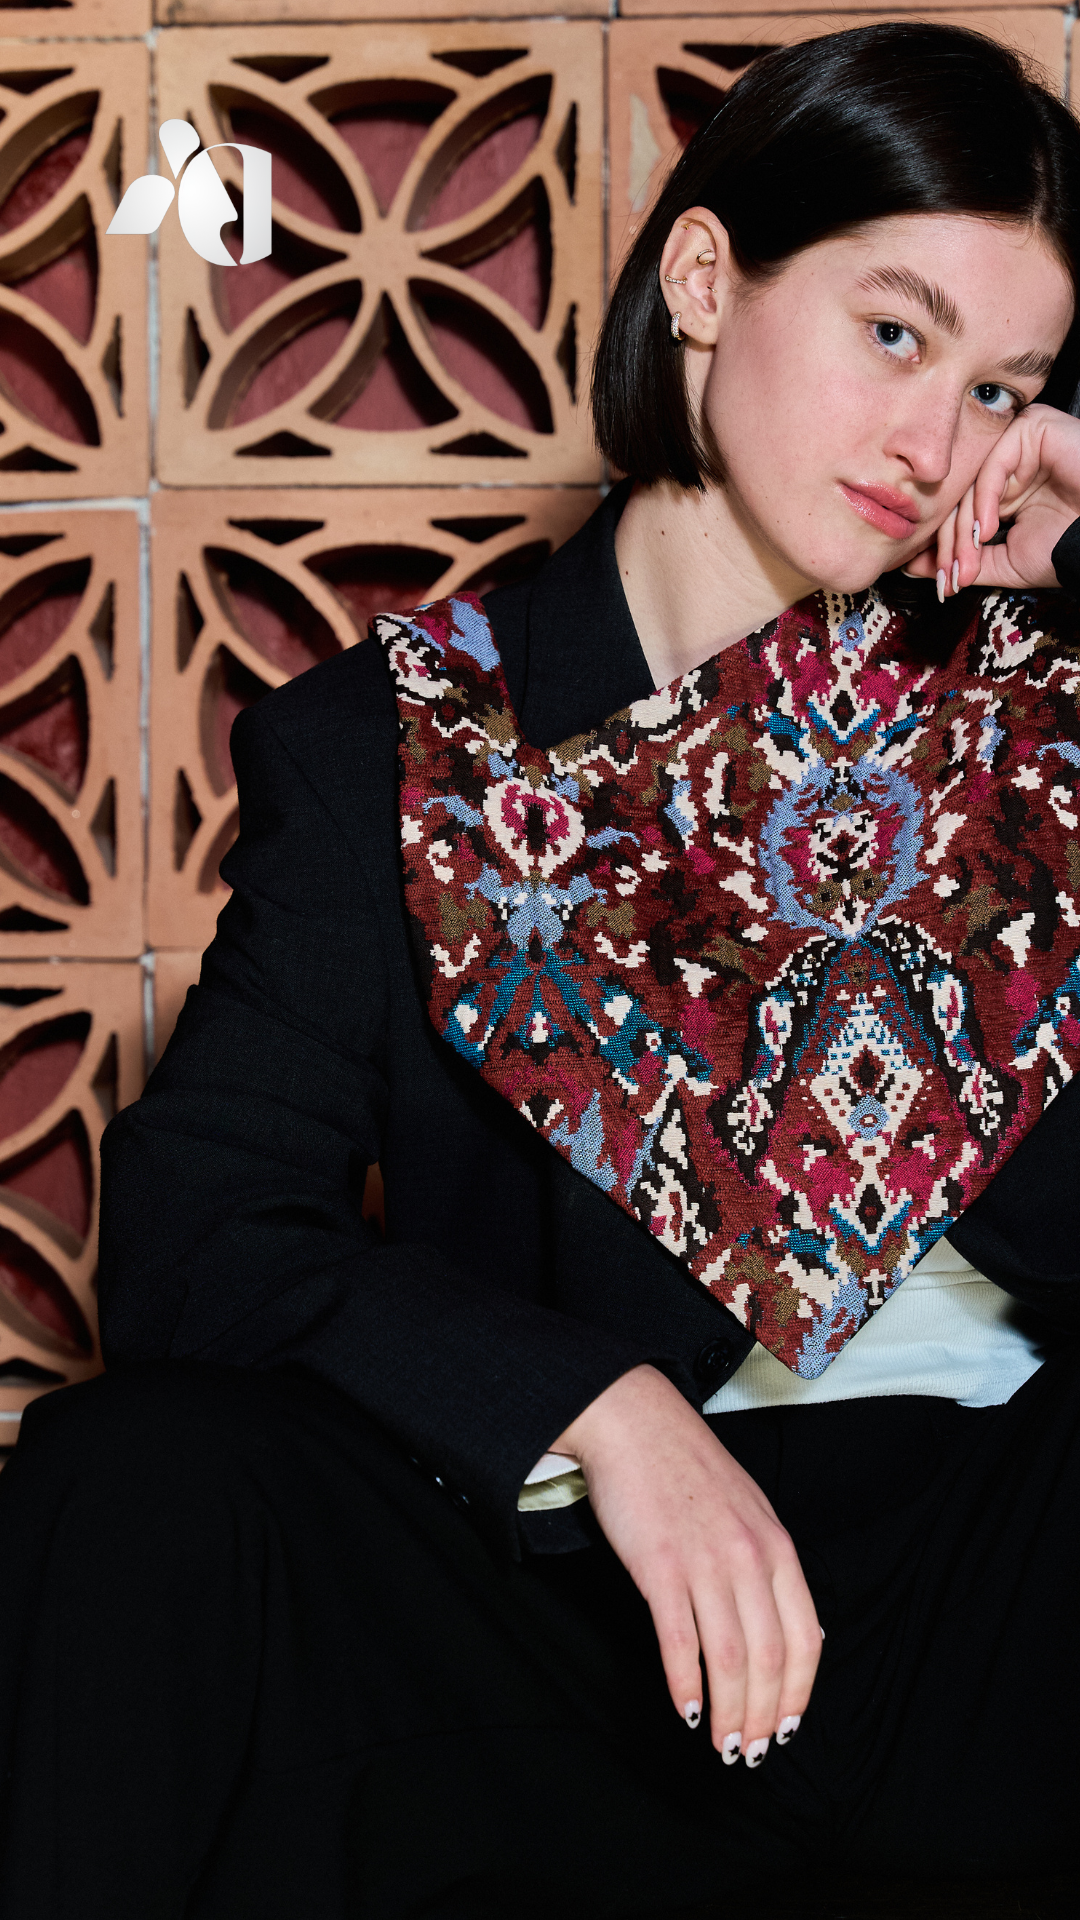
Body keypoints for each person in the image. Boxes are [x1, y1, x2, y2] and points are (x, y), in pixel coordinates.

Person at [2, 21, 1080, 1918]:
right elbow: (196, 1230)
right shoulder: (413, 743)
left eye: (1007, 385)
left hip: (999, 1596)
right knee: (138, 1481)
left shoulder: (1038, 705)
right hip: (578, 1616)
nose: (939, 444)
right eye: (894, 336)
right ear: (703, 280)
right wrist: (598, 1409)